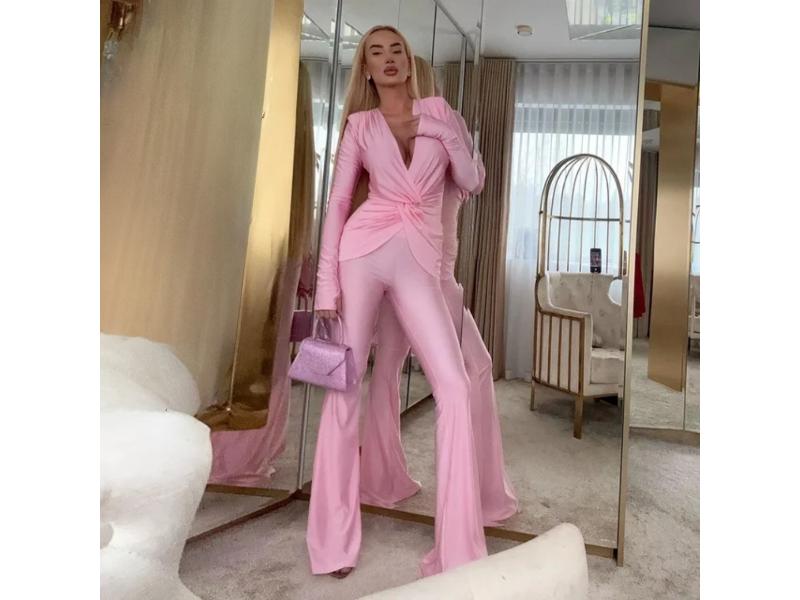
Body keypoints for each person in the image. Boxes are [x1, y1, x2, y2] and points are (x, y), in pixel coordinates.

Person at [308, 25, 486, 579]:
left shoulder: (439, 113)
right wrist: (327, 285)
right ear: (366, 68)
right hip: (362, 253)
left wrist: (444, 130)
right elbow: (339, 204)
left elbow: (472, 180)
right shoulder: (360, 125)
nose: (387, 59)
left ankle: (458, 549)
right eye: (375, 53)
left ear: (409, 62)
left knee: (453, 386)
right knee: (344, 389)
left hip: (418, 261)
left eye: (396, 51)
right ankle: (333, 542)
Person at [357, 56, 519, 527]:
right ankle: (478, 496)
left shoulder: (401, 136)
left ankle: (381, 479)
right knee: (475, 368)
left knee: (387, 373)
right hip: (432, 281)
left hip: (400, 276)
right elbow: (473, 181)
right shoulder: (440, 134)